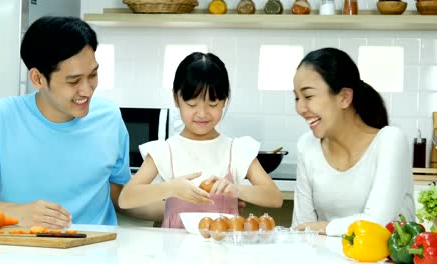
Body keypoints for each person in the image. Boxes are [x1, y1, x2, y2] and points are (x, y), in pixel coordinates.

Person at [0, 16, 143, 228]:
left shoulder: (109, 117)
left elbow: (120, 196)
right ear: (38, 79)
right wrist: (17, 212)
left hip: (99, 251)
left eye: (93, 75)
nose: (87, 90)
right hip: (25, 252)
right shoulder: (0, 118)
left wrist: (176, 204)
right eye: (73, 81)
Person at [118, 52, 283, 228]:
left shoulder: (236, 150)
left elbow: (274, 197)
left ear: (224, 101)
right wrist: (170, 188)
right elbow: (126, 198)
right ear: (176, 98)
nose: (202, 113)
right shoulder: (165, 151)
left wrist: (237, 190)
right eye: (192, 105)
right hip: (175, 253)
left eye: (213, 104)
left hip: (225, 253)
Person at [291, 47, 415, 236]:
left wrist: (325, 227)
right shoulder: (307, 145)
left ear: (344, 97)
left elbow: (377, 224)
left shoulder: (390, 141)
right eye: (297, 97)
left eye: (308, 96)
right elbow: (302, 230)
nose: (300, 108)